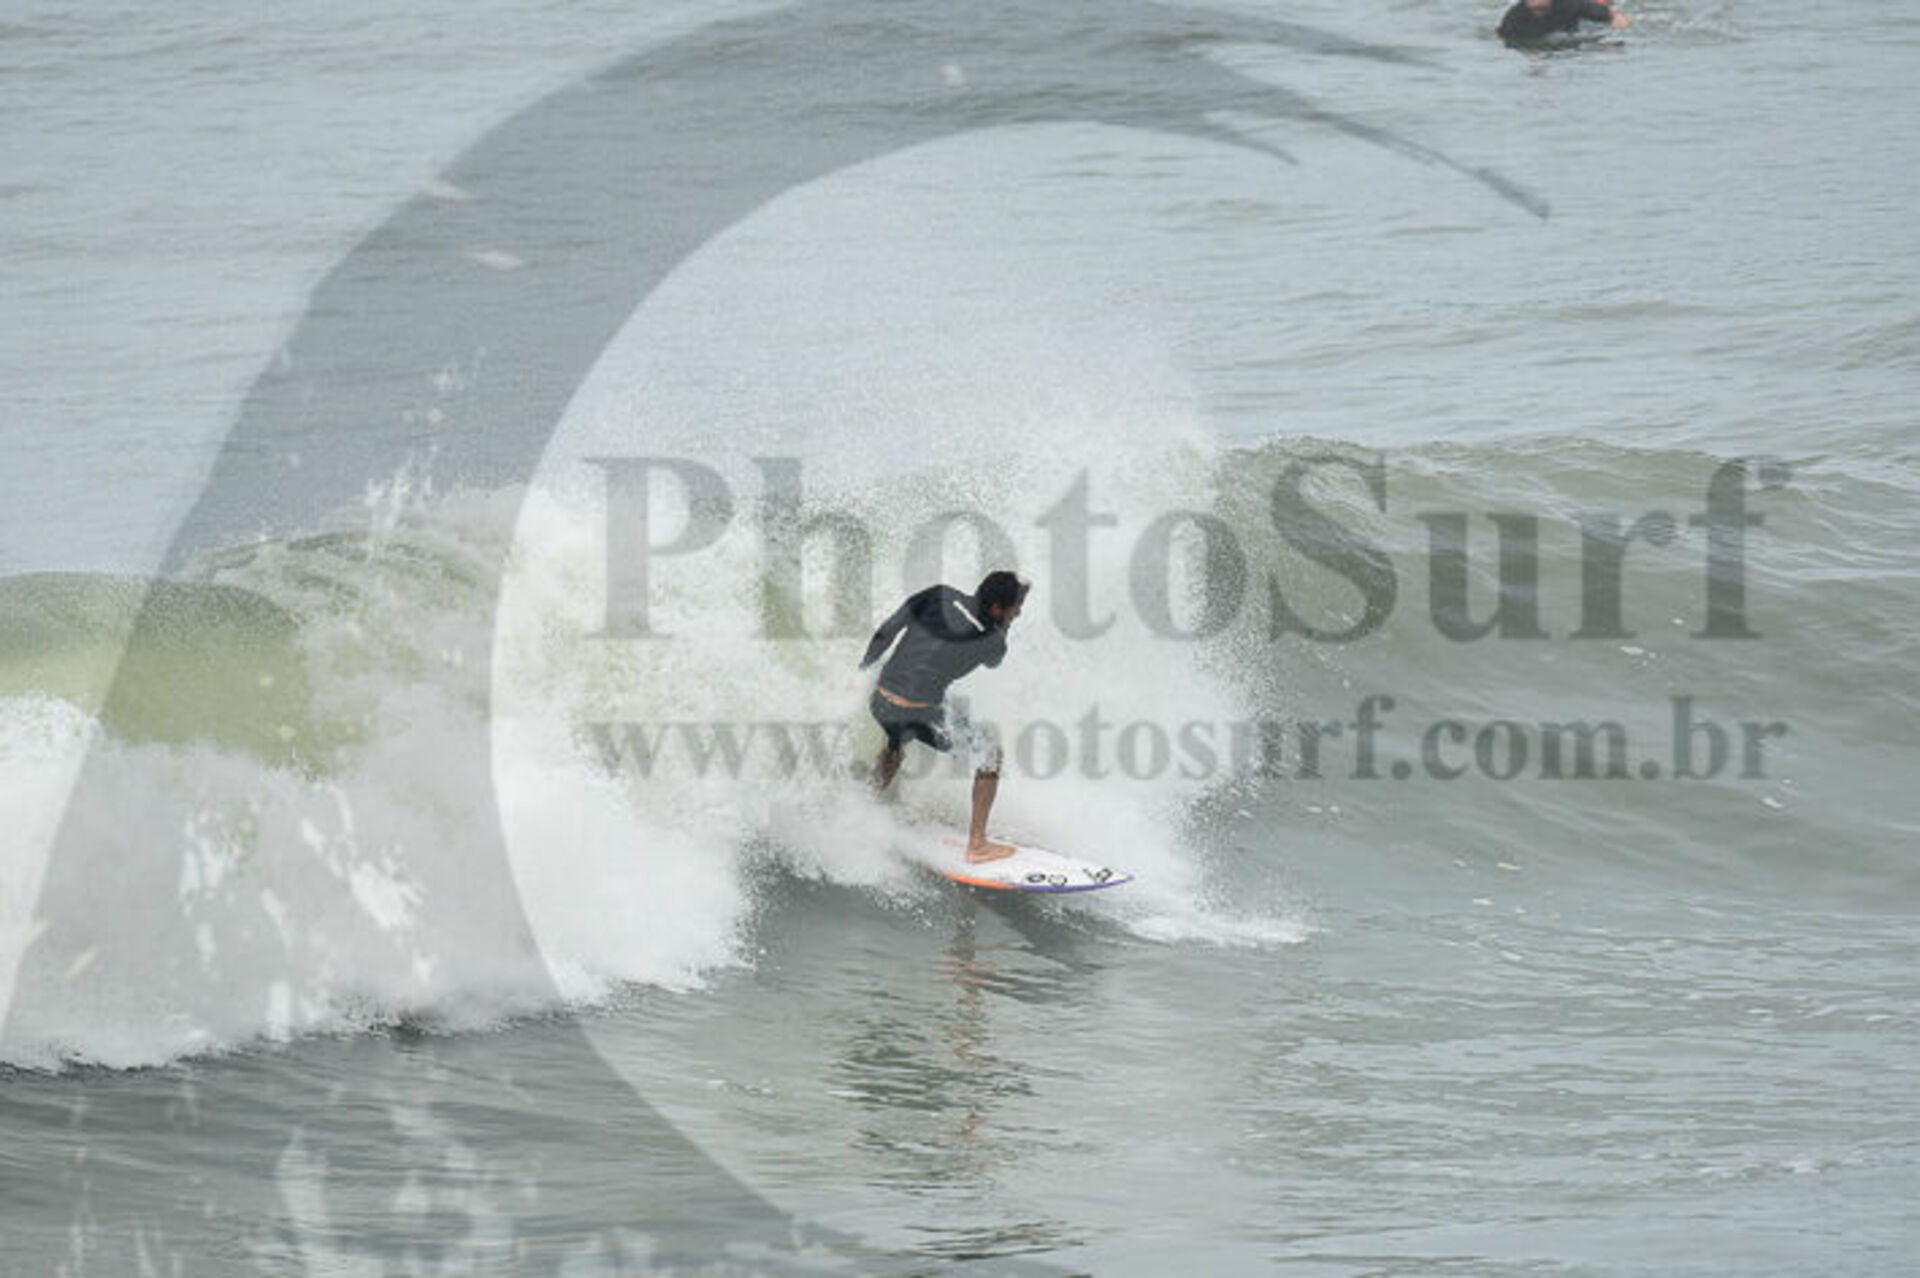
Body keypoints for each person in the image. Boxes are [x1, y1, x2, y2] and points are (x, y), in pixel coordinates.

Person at [860, 570, 1029, 862]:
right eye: (1015, 608)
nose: (1019, 614)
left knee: (900, 736)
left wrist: (862, 673)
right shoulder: (993, 641)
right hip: (915, 712)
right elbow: (994, 662)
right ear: (996, 609)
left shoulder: (938, 594)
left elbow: (888, 629)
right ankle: (977, 845)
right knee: (990, 753)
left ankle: (861, 808)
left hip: (880, 700)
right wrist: (1003, 627)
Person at [1497, 0, 1631, 43]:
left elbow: (1617, 16)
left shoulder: (1569, 4)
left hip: (1583, 26)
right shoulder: (1515, 16)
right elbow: (1500, 35)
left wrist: (1617, 20)